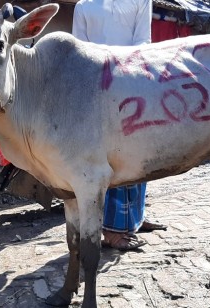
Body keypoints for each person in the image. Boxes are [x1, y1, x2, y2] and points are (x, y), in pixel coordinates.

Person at [72, 0, 167, 251]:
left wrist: (121, 77)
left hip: (131, 84)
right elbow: (78, 49)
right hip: (98, 90)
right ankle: (113, 232)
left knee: (139, 156)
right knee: (109, 160)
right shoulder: (83, 6)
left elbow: (143, 44)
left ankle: (135, 219)